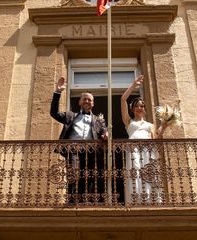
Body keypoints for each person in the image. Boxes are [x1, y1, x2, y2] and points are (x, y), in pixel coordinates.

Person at [50, 76, 107, 204]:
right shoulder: (71, 115)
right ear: (80, 102)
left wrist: (105, 135)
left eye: (90, 100)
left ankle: (85, 201)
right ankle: (71, 200)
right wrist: (58, 91)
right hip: (73, 149)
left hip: (91, 151)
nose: (87, 101)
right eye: (85, 99)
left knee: (88, 177)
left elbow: (104, 132)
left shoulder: (99, 119)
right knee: (74, 173)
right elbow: (54, 113)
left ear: (93, 103)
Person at [120, 75, 165, 205]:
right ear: (133, 109)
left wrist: (165, 124)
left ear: (144, 110)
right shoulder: (129, 122)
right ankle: (136, 200)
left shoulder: (150, 125)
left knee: (148, 171)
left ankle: (151, 200)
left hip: (148, 150)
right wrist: (134, 85)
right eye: (137, 106)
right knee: (135, 171)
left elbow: (156, 138)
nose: (139, 108)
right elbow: (123, 99)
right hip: (133, 149)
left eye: (142, 106)